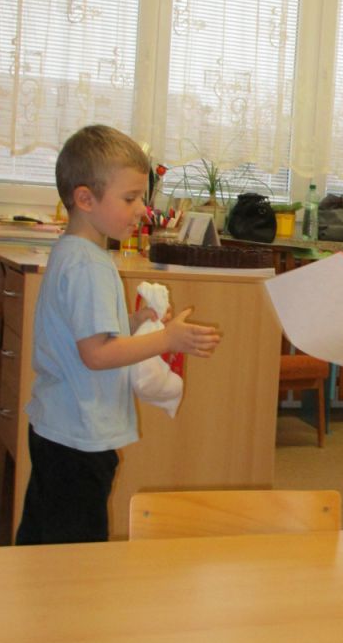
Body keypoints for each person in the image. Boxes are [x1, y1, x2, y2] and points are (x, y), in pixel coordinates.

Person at [16, 125, 222, 545]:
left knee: (43, 535)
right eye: (130, 198)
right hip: (79, 434)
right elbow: (96, 354)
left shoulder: (72, 251)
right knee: (74, 546)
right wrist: (167, 340)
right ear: (85, 199)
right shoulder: (90, 265)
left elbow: (85, 334)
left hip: (60, 425)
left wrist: (135, 320)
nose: (142, 210)